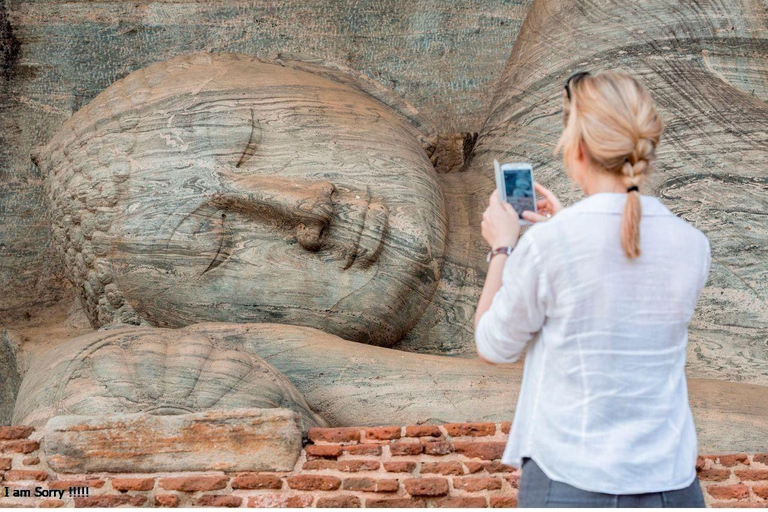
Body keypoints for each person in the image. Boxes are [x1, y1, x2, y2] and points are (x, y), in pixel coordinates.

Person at [474, 70, 710, 507]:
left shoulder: (549, 246)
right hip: (671, 486)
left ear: (577, 148)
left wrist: (504, 247)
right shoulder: (694, 246)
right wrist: (564, 227)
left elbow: (493, 345)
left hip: (571, 483)